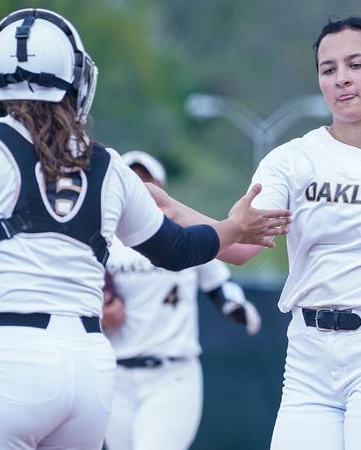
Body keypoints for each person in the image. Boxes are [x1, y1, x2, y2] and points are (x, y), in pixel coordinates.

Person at [0, 8, 290, 450]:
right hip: (89, 371)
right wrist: (230, 229)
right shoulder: (108, 164)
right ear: (75, 79)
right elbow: (176, 249)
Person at [148, 16, 361, 450]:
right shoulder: (293, 160)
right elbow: (238, 245)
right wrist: (171, 208)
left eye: (355, 64)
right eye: (328, 69)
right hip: (309, 355)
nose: (341, 79)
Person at [101, 151, 261, 450]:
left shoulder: (179, 236)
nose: (139, 186)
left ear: (160, 187)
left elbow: (219, 282)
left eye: (146, 180)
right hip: (116, 372)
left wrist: (236, 307)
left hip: (171, 372)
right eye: (132, 179)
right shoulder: (104, 239)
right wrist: (101, 314)